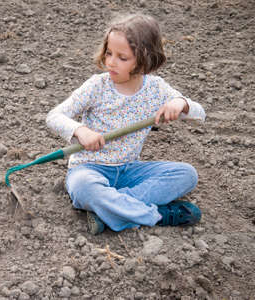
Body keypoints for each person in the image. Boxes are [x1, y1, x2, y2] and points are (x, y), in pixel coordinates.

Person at [46, 14, 206, 235]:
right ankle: (156, 216)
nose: (111, 61)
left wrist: (181, 103)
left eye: (122, 57)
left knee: (187, 175)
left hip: (129, 170)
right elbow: (54, 115)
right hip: (90, 169)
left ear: (144, 61)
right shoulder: (97, 86)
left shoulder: (156, 90)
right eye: (109, 53)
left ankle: (108, 209)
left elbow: (199, 113)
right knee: (84, 189)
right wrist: (80, 130)